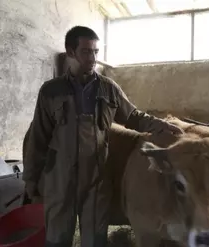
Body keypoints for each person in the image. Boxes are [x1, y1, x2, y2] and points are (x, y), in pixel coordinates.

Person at [22, 25, 183, 247]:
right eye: (87, 51)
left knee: (95, 241)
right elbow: (38, 138)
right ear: (70, 52)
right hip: (60, 180)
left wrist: (161, 125)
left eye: (96, 52)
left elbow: (134, 116)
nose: (93, 58)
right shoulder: (51, 91)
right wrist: (31, 181)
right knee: (57, 240)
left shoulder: (109, 89)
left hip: (96, 180)